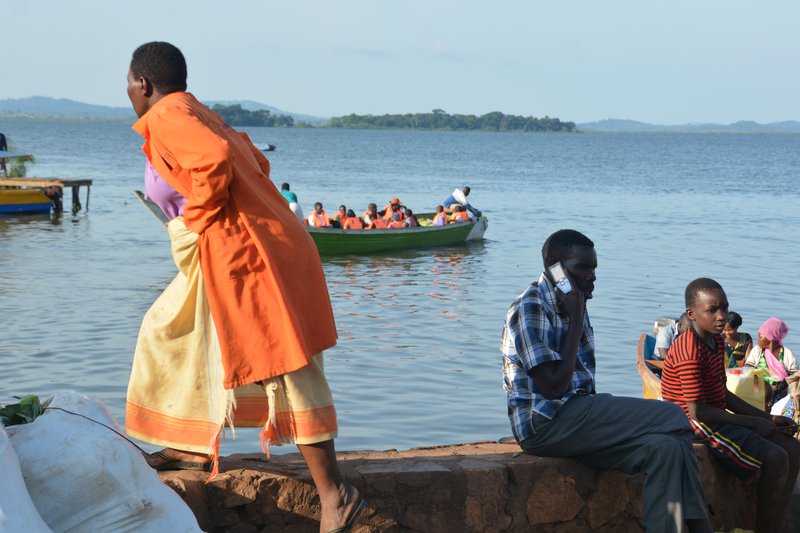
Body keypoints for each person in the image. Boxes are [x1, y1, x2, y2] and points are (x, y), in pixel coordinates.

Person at [124, 42, 364, 532]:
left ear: (143, 84)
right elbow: (254, 158)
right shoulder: (194, 110)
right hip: (240, 246)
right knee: (173, 331)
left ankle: (335, 492)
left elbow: (214, 159)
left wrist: (204, 216)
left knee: (286, 361)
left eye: (128, 84)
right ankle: (191, 446)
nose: (127, 93)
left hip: (249, 253)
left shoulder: (169, 113)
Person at [501, 229, 712, 533]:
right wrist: (574, 317)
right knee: (673, 414)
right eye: (582, 268)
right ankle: (701, 525)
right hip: (546, 422)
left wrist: (576, 310)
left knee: (665, 448)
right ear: (554, 268)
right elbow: (552, 387)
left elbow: (581, 387)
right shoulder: (532, 306)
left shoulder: (575, 302)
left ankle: (675, 527)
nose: (592, 276)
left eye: (594, 268)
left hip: (576, 419)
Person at [661, 278, 800, 533]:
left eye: (724, 308)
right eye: (712, 310)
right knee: (777, 458)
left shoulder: (715, 342)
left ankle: (778, 524)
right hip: (690, 421)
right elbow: (697, 411)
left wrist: (766, 419)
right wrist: (753, 422)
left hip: (712, 414)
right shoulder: (689, 348)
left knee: (793, 448)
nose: (722, 316)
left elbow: (722, 394)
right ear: (692, 314)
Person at [744, 317, 797, 403]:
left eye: (760, 337)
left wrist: (781, 386)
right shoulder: (757, 351)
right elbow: (748, 368)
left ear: (770, 339)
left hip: (779, 395)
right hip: (759, 391)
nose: (757, 340)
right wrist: (757, 381)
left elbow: (794, 376)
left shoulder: (787, 354)